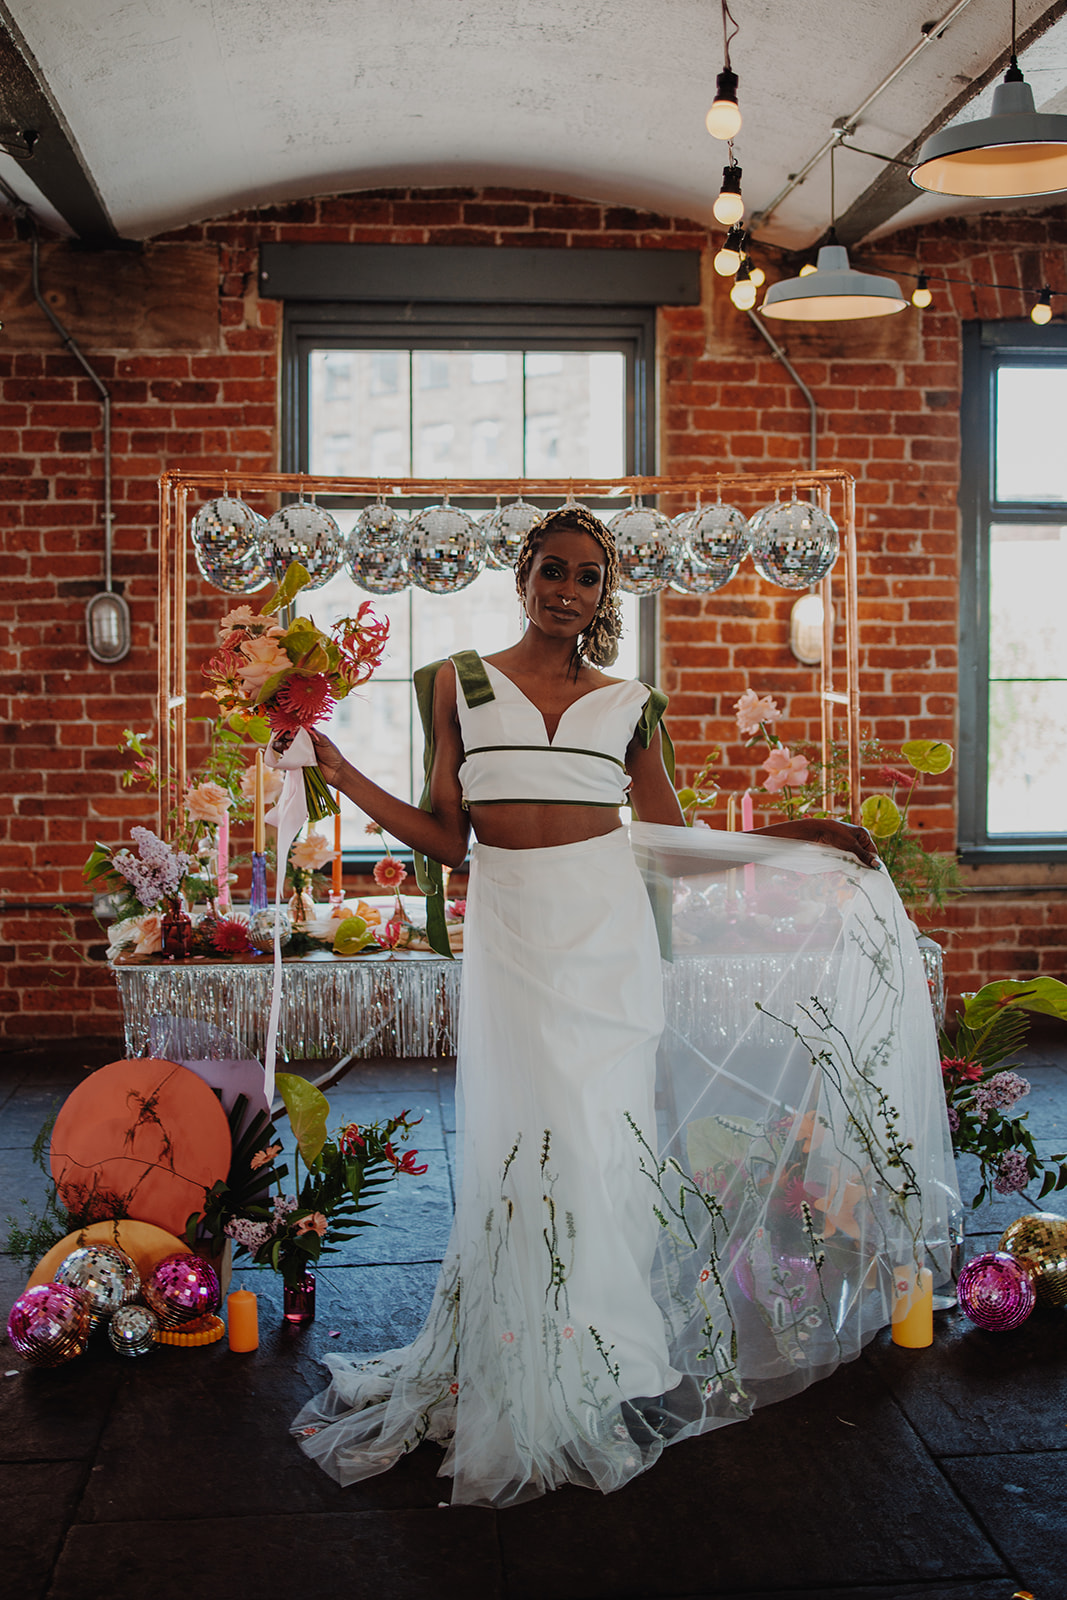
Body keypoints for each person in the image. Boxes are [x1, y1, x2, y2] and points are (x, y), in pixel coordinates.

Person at [292, 506, 957, 1507]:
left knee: (604, 1138)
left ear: (604, 595)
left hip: (606, 941)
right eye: (552, 569)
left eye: (588, 577)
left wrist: (802, 833)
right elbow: (446, 839)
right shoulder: (455, 682)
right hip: (514, 933)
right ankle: (518, 1341)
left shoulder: (631, 704)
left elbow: (674, 847)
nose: (567, 589)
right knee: (530, 1135)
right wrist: (341, 775)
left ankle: (608, 1350)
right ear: (523, 575)